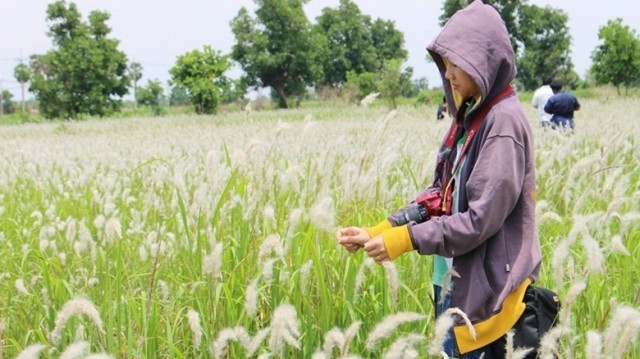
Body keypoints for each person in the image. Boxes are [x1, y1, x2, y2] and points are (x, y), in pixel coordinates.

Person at [336, 1, 541, 358]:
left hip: (488, 304)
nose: (447, 74)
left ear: (484, 60)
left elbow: (480, 220)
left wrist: (406, 240)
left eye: (456, 63)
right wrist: (382, 230)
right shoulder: (473, 116)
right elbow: (439, 195)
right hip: (455, 288)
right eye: (444, 64)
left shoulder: (502, 123)